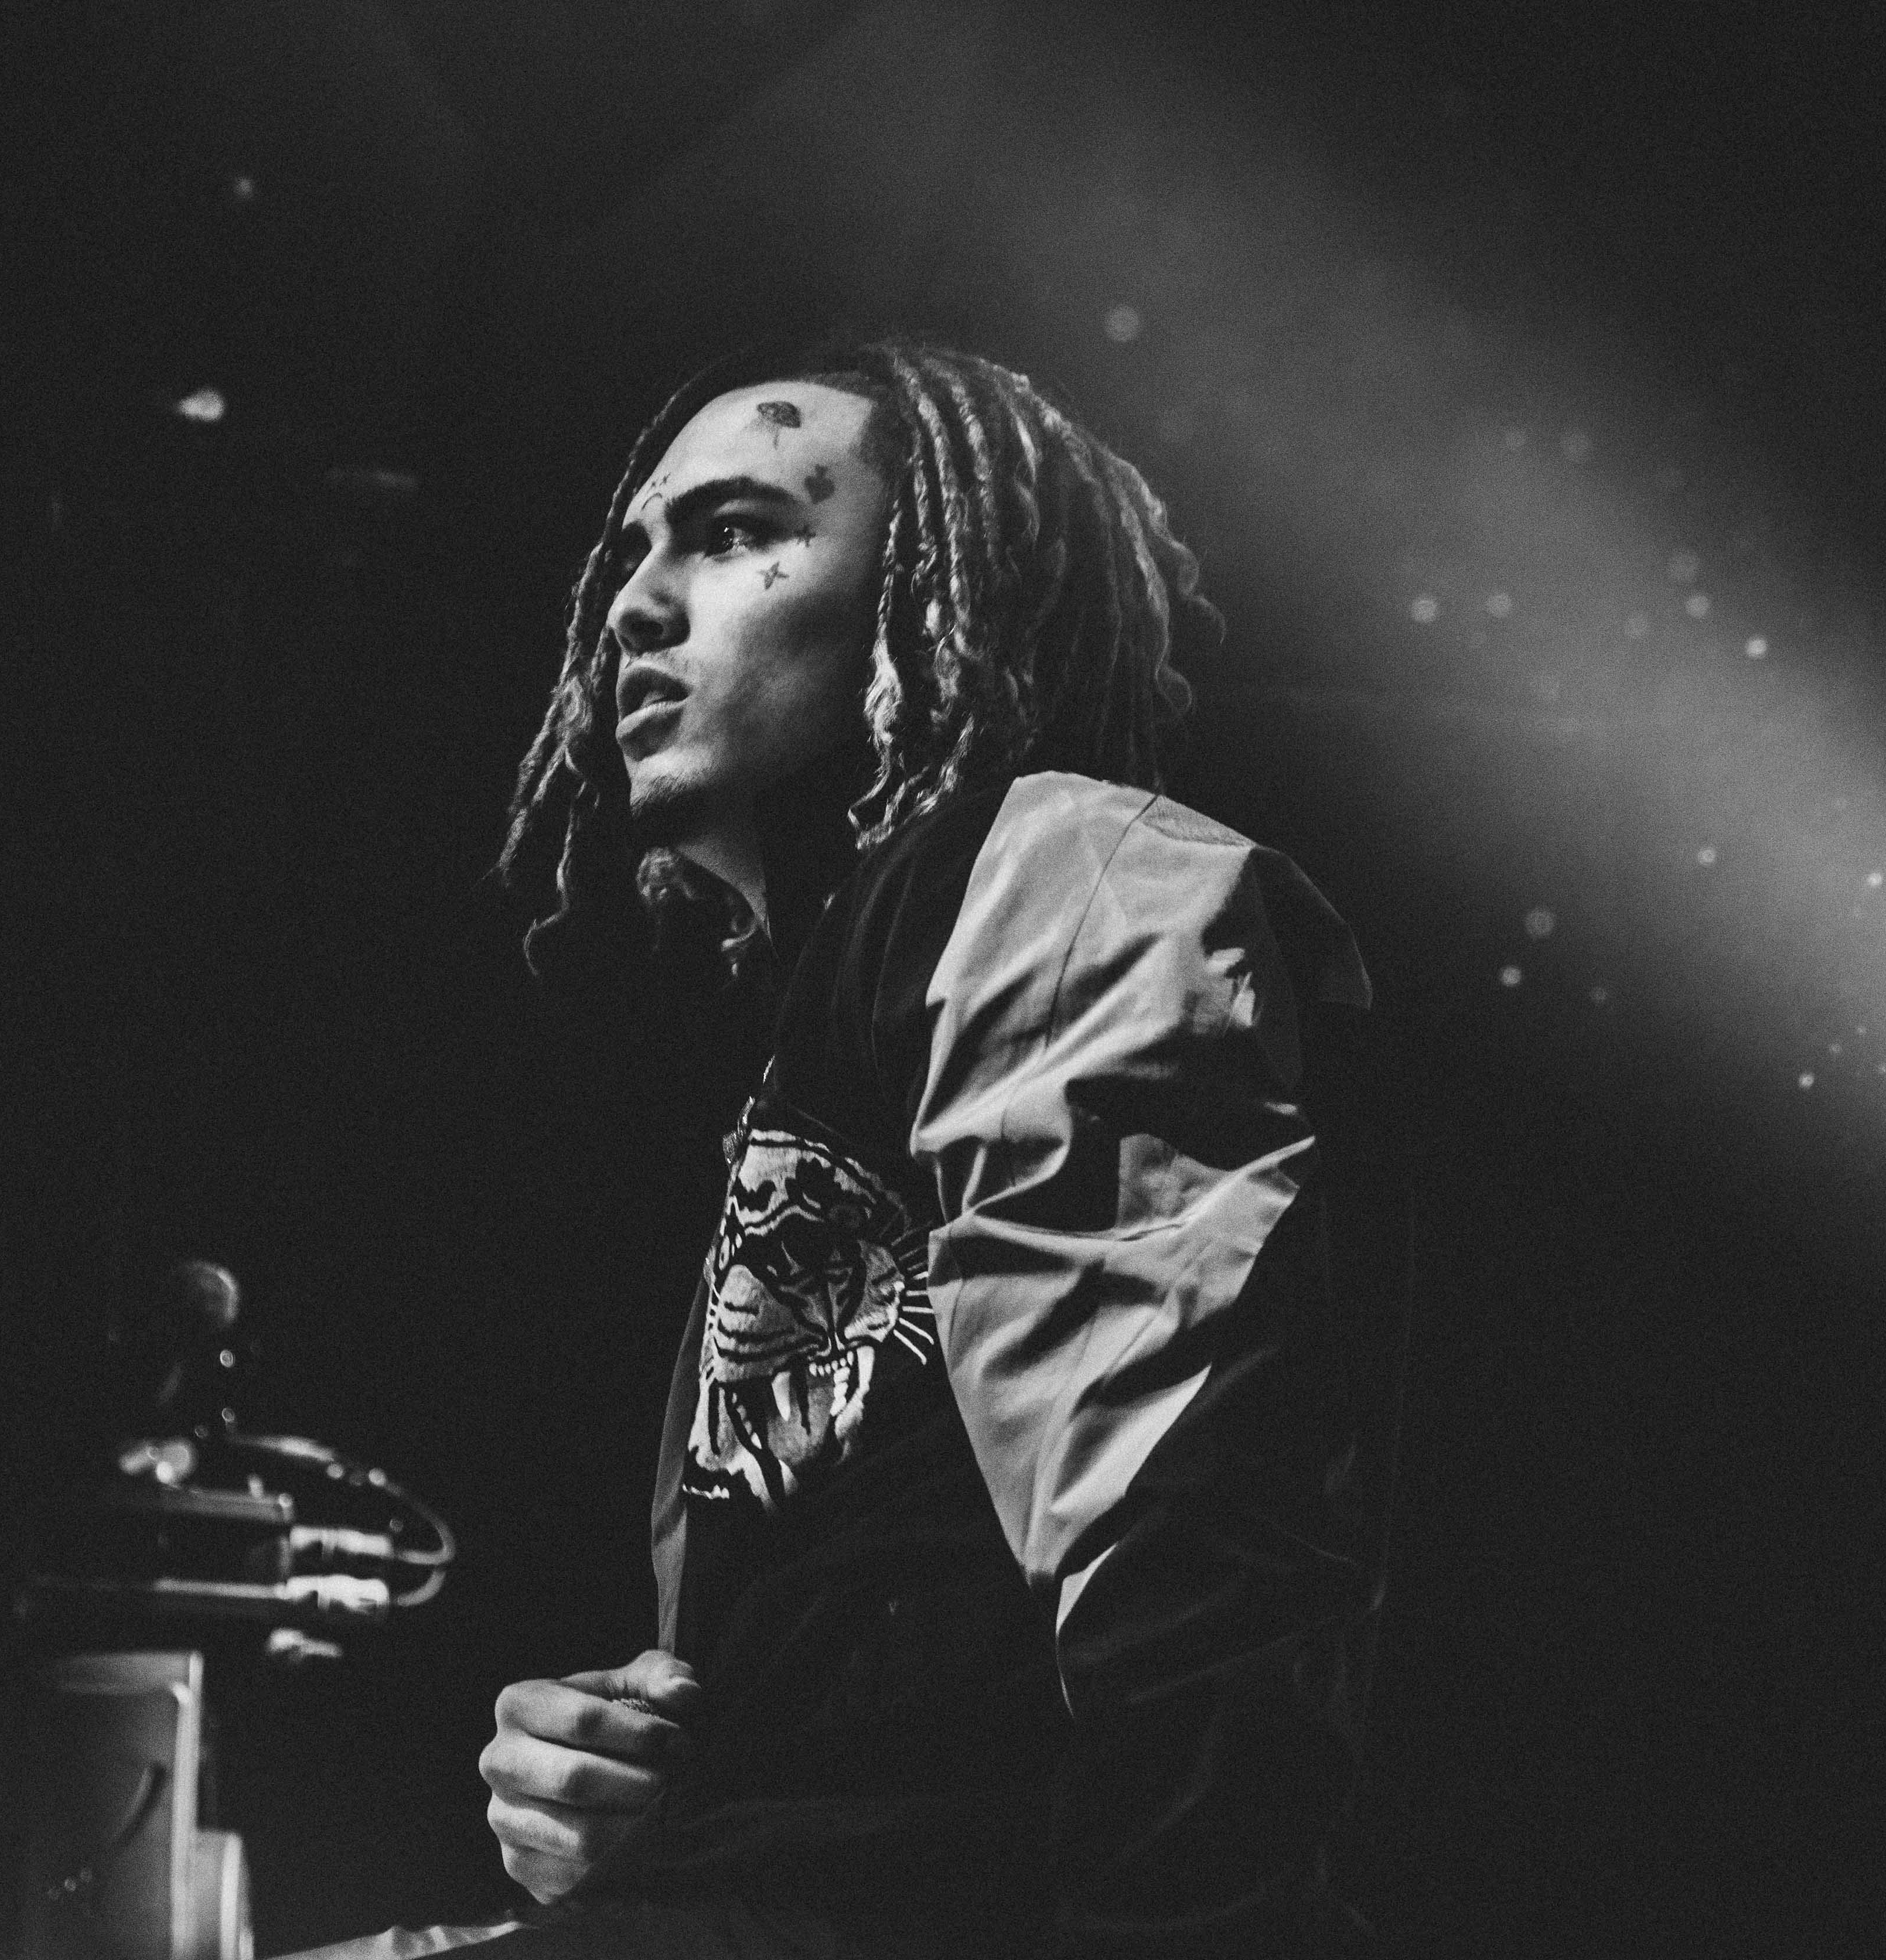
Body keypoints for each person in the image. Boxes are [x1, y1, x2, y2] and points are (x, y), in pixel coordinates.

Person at [292, 340, 1384, 1958]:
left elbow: (1194, 1575)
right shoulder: (820, 1045)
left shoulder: (1070, 878)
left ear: (938, 589)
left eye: (736, 531)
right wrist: (633, 1791)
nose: (633, 608)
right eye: (633, 553)